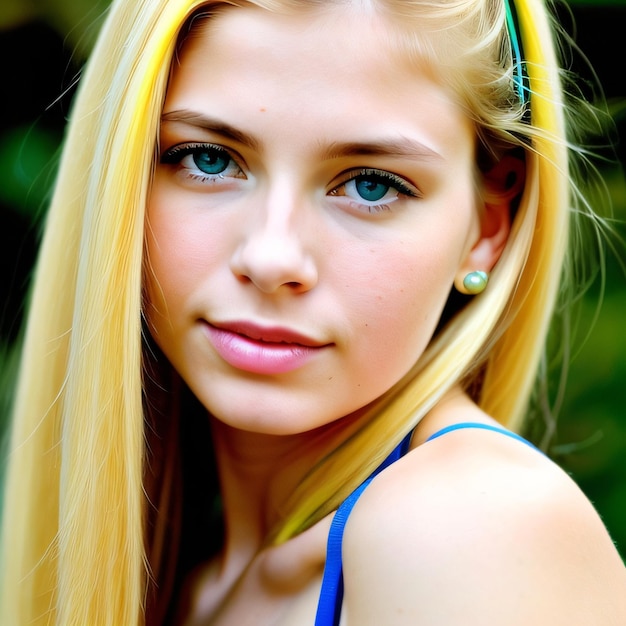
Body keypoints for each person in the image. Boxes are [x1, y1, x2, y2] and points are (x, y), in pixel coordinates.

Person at [1, 0, 625, 623]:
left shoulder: (470, 530)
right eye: (208, 159)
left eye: (371, 184)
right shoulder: (186, 578)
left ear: (488, 227)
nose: (271, 258)